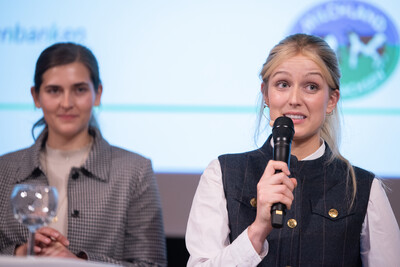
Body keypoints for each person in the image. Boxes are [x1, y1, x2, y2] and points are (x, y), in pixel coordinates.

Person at [185, 33, 400, 266]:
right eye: (283, 84)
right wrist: (257, 231)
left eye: (311, 86)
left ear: (331, 100)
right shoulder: (222, 173)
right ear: (266, 94)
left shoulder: (364, 188)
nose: (295, 99)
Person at [0, 43, 167, 266]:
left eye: (79, 90)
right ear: (36, 96)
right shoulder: (4, 170)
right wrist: (18, 254)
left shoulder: (134, 171)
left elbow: (152, 264)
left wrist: (80, 262)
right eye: (54, 90)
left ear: (97, 94)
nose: (67, 103)